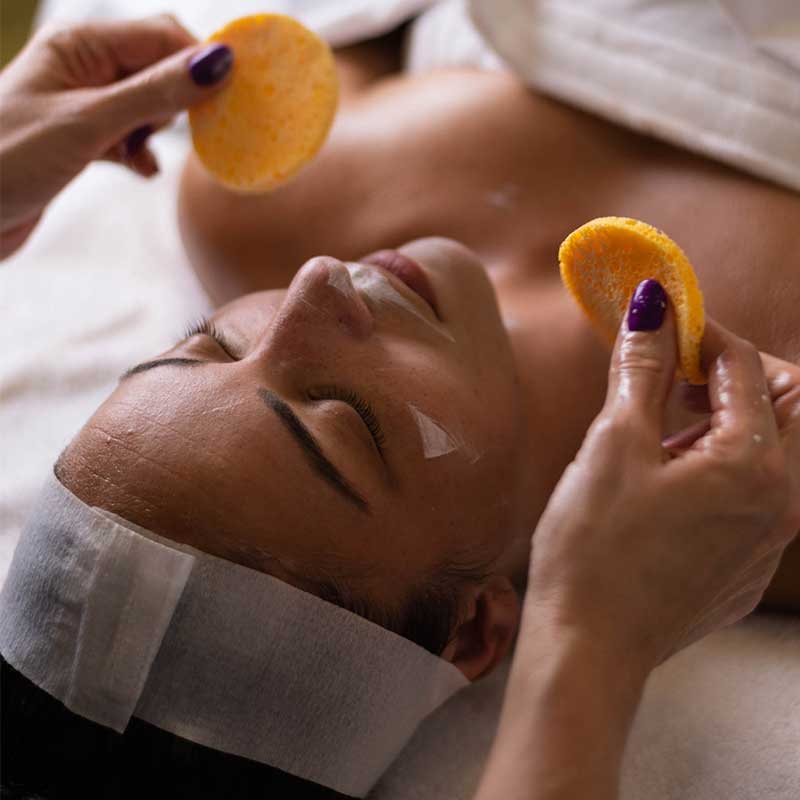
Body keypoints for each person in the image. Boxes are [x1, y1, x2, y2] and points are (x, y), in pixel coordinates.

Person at [0, 14, 798, 800]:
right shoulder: (771, 479)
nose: (315, 283)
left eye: (210, 343)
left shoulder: (259, 196)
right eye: (344, 418)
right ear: (474, 629)